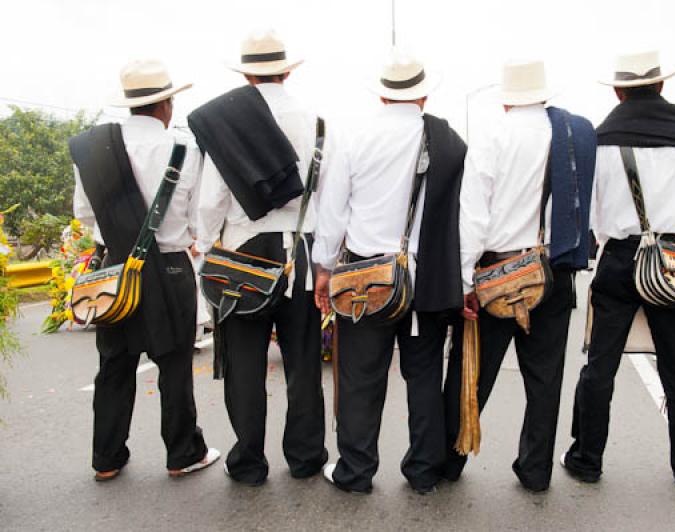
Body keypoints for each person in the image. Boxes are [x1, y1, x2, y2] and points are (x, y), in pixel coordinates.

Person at [561, 50, 675, 490]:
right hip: (674, 262)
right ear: (662, 85)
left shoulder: (601, 137)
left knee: (599, 366)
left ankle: (586, 458)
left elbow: (590, 213)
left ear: (617, 90)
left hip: (618, 260)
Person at [313, 50, 466, 495]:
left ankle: (356, 472)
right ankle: (423, 471)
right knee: (422, 377)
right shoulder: (448, 140)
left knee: (361, 378)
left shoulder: (354, 135)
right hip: (425, 279)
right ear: (423, 93)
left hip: (364, 278)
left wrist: (324, 270)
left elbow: (333, 211)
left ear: (382, 93)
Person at [441, 60, 596, 492]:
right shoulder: (573, 135)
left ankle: (448, 461)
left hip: (496, 271)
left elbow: (473, 213)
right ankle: (535, 471)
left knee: (471, 372)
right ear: (544, 95)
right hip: (552, 269)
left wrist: (465, 282)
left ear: (506, 97)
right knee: (545, 379)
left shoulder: (493, 134)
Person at [189, 30, 330, 486]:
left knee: (245, 363)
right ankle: (306, 457)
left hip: (244, 252)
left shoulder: (230, 120)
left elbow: (212, 197)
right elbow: (327, 193)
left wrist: (209, 244)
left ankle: (249, 462)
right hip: (302, 249)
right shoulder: (316, 122)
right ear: (287, 69)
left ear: (246, 73)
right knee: (304, 360)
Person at [71, 59, 219, 481]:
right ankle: (182, 454)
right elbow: (197, 220)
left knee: (114, 365)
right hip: (170, 269)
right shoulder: (185, 152)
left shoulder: (92, 148)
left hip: (112, 267)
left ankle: (107, 459)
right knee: (173, 367)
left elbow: (83, 214)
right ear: (166, 104)